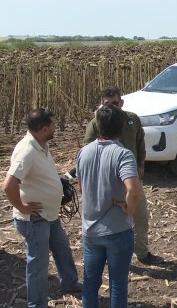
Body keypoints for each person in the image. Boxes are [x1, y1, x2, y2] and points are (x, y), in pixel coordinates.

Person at [2, 108, 81, 308]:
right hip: (35, 219)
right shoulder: (27, 151)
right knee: (38, 264)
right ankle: (36, 304)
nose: (56, 127)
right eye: (53, 124)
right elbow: (8, 184)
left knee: (62, 249)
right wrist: (22, 206)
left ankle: (70, 284)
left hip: (49, 215)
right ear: (45, 128)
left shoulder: (41, 145)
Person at [83, 86, 163, 265]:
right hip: (109, 182)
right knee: (111, 224)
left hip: (132, 180)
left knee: (140, 217)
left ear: (121, 102)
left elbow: (140, 143)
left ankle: (142, 254)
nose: (111, 107)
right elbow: (87, 149)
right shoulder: (97, 123)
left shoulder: (132, 120)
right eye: (107, 104)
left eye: (115, 103)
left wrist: (141, 164)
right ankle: (112, 258)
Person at [77, 104, 141, 307]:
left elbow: (81, 185)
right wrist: (129, 209)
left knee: (90, 283)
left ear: (97, 126)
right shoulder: (123, 154)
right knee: (117, 284)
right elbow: (133, 189)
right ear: (121, 126)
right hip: (117, 230)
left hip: (90, 231)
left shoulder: (83, 152)